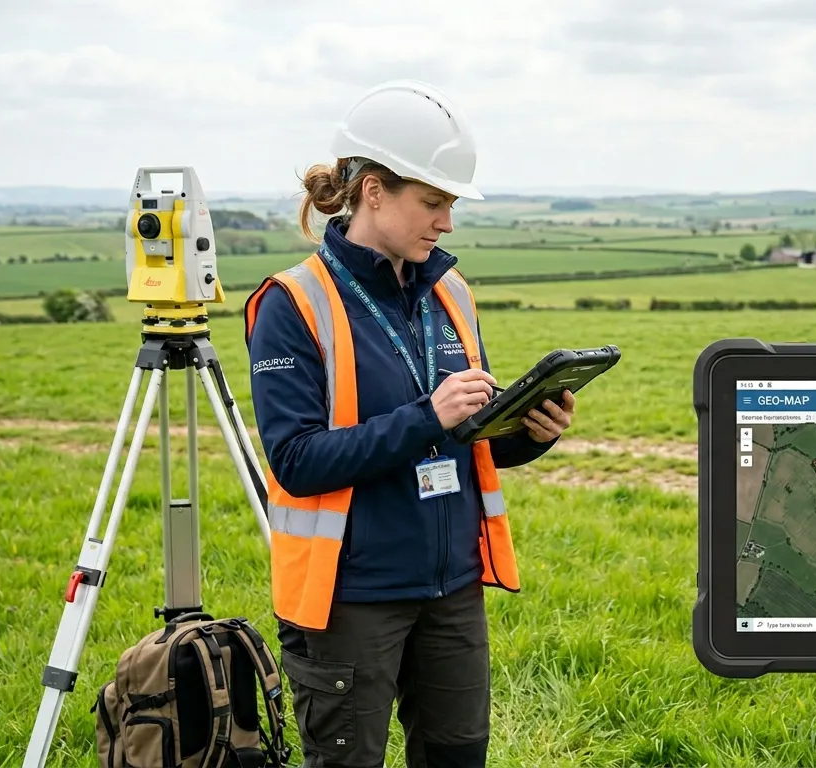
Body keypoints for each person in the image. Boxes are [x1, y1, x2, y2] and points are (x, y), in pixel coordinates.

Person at [243, 79, 575, 767]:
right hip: (350, 599)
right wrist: (427, 415)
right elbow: (297, 461)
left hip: (451, 588)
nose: (446, 222)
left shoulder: (450, 291)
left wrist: (527, 434)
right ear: (372, 193)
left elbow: (465, 437)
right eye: (433, 202)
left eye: (450, 204)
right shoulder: (292, 303)